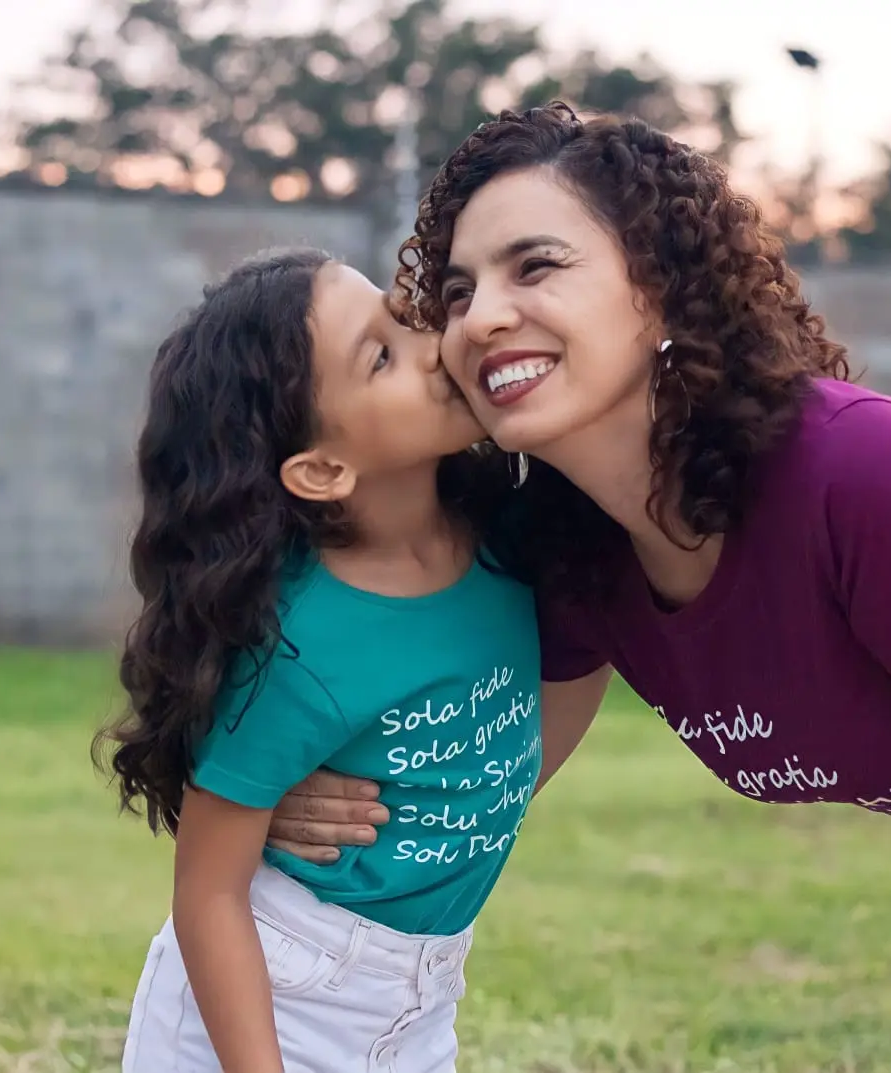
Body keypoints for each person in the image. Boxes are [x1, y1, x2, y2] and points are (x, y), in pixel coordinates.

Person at [264, 104, 891, 1073]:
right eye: (456, 291)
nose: (482, 316)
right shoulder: (571, 543)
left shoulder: (854, 471)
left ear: (659, 287)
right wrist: (283, 800)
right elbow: (493, 774)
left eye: (535, 265)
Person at [97, 247, 603, 1073]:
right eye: (381, 355)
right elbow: (210, 892)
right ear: (324, 468)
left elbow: (516, 743)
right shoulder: (299, 645)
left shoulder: (508, 544)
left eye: (402, 319)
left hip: (421, 998)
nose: (433, 342)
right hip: (276, 995)